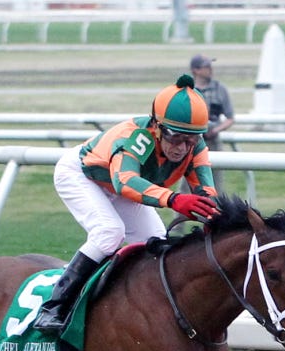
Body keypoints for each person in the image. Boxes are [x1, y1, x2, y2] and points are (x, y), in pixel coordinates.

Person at [33, 74, 220, 336]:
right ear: (157, 127)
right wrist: (174, 199)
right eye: (176, 137)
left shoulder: (195, 147)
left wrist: (213, 215)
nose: (182, 148)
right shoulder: (136, 138)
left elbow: (206, 192)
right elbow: (125, 181)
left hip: (117, 184)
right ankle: (54, 306)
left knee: (157, 242)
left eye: (190, 140)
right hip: (82, 175)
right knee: (109, 232)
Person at [189, 54, 235, 188]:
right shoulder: (187, 89)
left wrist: (215, 130)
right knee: (188, 183)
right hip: (190, 142)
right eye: (207, 66)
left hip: (213, 141)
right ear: (196, 70)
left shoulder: (220, 89)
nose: (210, 69)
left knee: (215, 182)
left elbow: (230, 118)